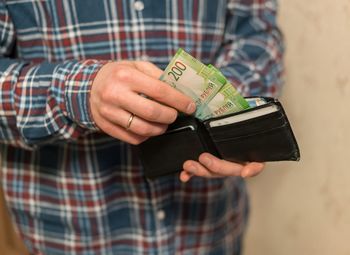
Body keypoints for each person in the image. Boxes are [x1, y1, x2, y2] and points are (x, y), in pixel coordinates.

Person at [0, 0, 284, 254]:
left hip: (211, 227)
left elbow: (257, 35)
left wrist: (231, 121)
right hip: (69, 232)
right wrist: (78, 92)